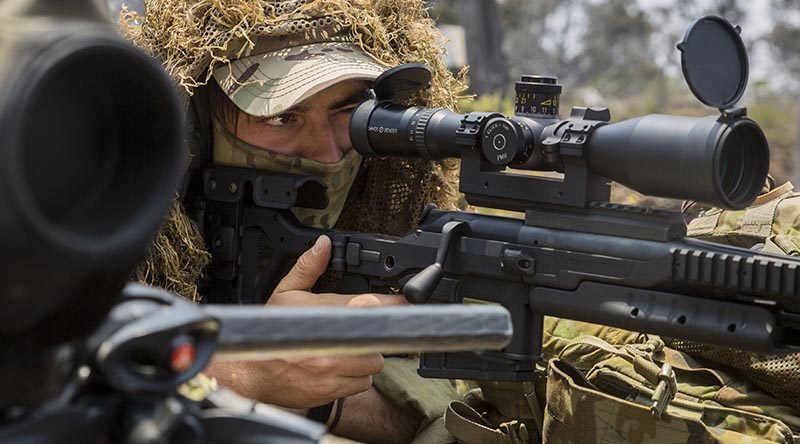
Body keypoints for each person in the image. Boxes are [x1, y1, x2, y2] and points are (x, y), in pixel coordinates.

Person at [122, 1, 465, 443]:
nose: (327, 154)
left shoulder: (404, 224)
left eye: (348, 113)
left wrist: (323, 398)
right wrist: (239, 372)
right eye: (284, 117)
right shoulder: (97, 225)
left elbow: (455, 397)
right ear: (195, 130)